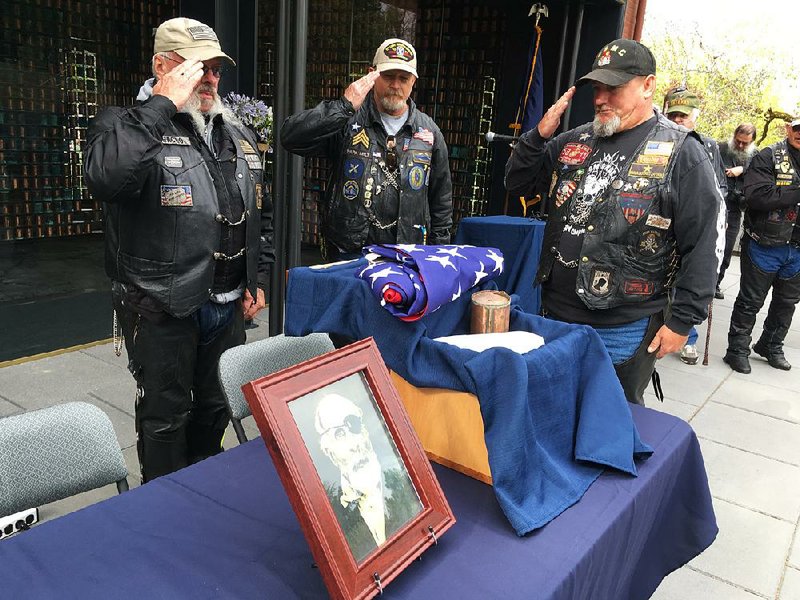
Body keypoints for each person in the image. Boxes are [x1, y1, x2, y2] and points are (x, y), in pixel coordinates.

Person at [85, 17, 274, 482]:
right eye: (197, 67)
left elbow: (259, 212)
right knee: (165, 420)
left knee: (215, 410)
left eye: (215, 70)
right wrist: (162, 104)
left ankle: (203, 495)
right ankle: (163, 506)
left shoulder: (235, 132)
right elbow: (107, 177)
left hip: (227, 304)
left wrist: (259, 277)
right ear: (162, 66)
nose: (209, 79)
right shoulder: (123, 124)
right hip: (160, 304)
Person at [505, 39, 721, 405]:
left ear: (648, 85)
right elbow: (518, 183)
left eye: (614, 88)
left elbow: (702, 243)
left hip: (623, 325)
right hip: (554, 314)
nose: (601, 98)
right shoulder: (574, 141)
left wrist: (683, 320)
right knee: (549, 408)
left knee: (609, 424)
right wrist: (537, 138)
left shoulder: (683, 153)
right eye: (597, 88)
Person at [280, 38, 453, 259]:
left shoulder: (429, 133)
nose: (396, 85)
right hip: (348, 253)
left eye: (404, 78)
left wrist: (437, 260)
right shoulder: (347, 119)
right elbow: (290, 137)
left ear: (413, 82)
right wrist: (343, 106)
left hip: (405, 257)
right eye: (389, 76)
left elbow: (441, 204)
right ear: (372, 74)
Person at [723, 117, 800, 373]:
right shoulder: (768, 155)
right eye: (798, 129)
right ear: (789, 129)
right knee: (750, 301)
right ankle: (737, 349)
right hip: (764, 243)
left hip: (797, 249)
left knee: (787, 302)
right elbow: (756, 196)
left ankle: (771, 345)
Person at [662, 87, 728, 365]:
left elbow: (720, 187)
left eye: (684, 116)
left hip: (693, 228)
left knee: (693, 282)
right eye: (673, 115)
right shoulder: (655, 141)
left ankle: (688, 339)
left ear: (695, 117)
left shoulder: (707, 146)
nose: (678, 121)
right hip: (662, 232)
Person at [315, 393, 386, 547]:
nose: (355, 445)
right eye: (340, 434)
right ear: (330, 452)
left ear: (365, 433)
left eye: (355, 426)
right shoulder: (339, 522)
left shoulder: (404, 485)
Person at [717, 123, 758, 297]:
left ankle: (717, 283)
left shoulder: (755, 156)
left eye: (745, 143)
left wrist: (742, 170)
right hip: (717, 204)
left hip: (735, 208)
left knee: (726, 248)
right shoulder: (720, 148)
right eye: (738, 141)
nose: (740, 146)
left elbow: (761, 175)